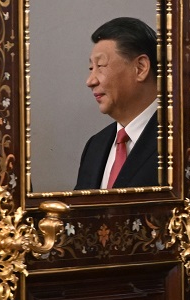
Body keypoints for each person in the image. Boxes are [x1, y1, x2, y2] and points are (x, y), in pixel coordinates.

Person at [75, 17, 160, 190]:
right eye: (91, 68)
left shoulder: (180, 140)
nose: (90, 81)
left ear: (141, 68)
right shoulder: (95, 146)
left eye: (100, 66)